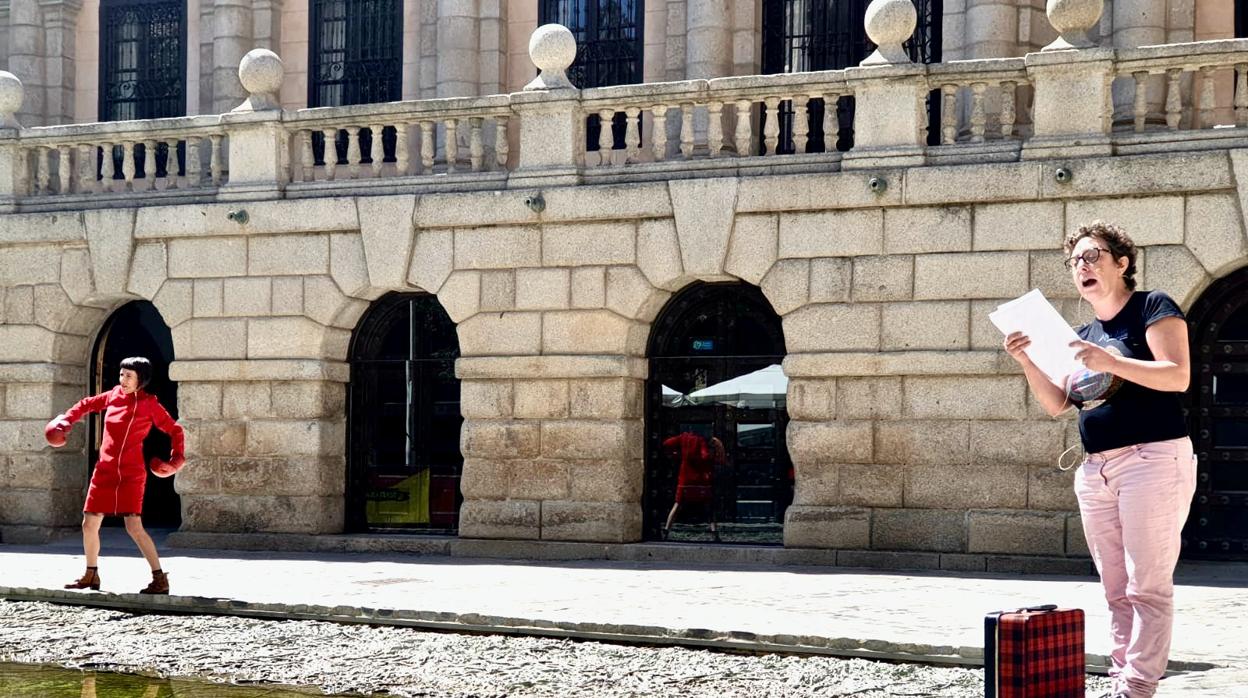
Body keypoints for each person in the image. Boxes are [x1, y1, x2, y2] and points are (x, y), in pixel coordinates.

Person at [1003, 221, 1195, 698]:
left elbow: (1177, 376)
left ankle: (1137, 687)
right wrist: (1027, 360)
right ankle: (1121, 677)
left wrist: (1110, 362)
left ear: (1121, 262)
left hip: (1152, 458)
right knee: (1115, 589)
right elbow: (1057, 404)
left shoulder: (1152, 306)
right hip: (1096, 470)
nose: (1082, 267)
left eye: (1092, 256)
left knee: (1147, 585)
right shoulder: (1080, 334)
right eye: (1074, 262)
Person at [46, 356, 186, 595]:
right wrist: (66, 419)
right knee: (89, 524)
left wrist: (176, 460)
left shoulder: (149, 403)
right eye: (121, 374)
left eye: (128, 376)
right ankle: (91, 574)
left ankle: (160, 578)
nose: (123, 380)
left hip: (132, 474)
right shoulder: (112, 395)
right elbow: (86, 404)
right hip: (105, 470)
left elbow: (175, 430)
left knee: (134, 527)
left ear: (141, 379)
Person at [661, 431, 720, 541]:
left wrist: (676, 454)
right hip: (701, 479)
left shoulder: (683, 437)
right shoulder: (702, 440)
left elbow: (667, 443)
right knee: (709, 507)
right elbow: (705, 456)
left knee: (677, 505)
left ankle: (666, 530)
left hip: (685, 478)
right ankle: (714, 533)